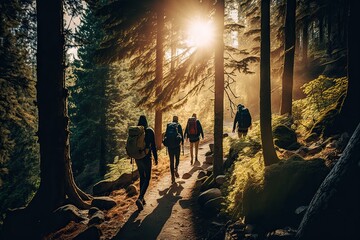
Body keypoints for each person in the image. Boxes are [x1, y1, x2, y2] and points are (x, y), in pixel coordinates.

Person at [134, 115, 158, 211]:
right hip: (146, 157)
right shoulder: (149, 131)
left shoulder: (136, 132)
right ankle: (140, 198)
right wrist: (156, 158)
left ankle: (142, 198)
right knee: (147, 177)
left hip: (138, 157)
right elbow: (153, 146)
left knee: (142, 177)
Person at [163, 116, 184, 184]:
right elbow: (181, 135)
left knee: (171, 161)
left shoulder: (169, 125)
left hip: (170, 147)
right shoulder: (178, 125)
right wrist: (182, 143)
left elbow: (165, 135)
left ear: (172, 119)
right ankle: (176, 169)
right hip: (177, 146)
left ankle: (172, 177)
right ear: (177, 120)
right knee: (177, 159)